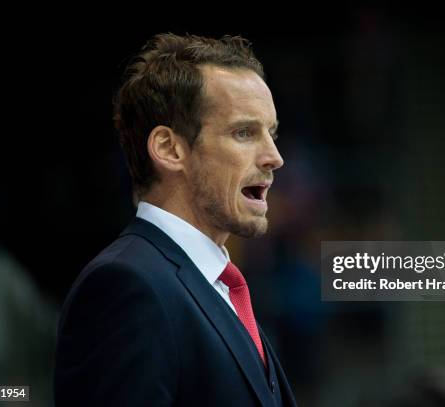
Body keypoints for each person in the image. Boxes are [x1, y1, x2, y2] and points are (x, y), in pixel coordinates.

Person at [53, 33, 297, 407]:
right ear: (169, 149)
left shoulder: (215, 287)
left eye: (272, 132)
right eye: (244, 132)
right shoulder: (126, 286)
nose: (274, 157)